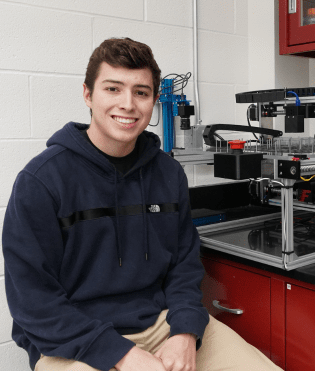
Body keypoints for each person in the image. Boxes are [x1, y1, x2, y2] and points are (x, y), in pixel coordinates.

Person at [2, 38, 282, 371]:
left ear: (153, 101)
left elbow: (183, 266)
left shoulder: (167, 173)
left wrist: (185, 332)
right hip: (73, 337)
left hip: (161, 323)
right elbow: (34, 302)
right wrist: (120, 354)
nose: (128, 104)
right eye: (113, 89)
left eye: (141, 92)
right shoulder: (41, 180)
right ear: (88, 95)